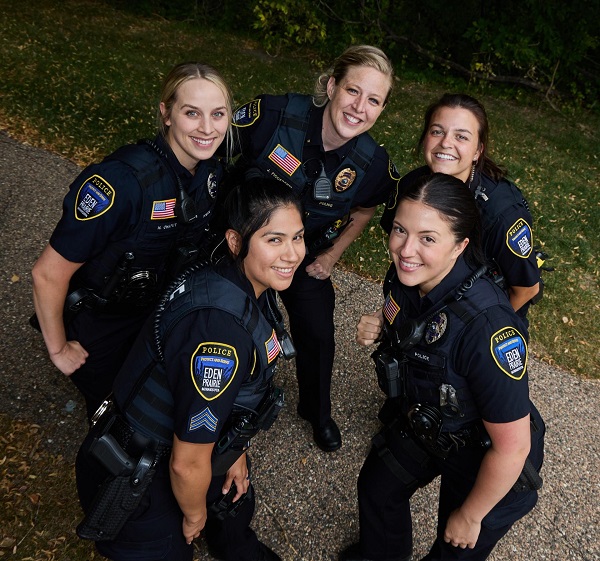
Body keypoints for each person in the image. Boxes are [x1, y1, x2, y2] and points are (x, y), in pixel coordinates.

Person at [75, 178, 305, 561]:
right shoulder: (219, 336)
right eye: (274, 239)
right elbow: (186, 463)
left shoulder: (236, 280)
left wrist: (235, 451)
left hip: (177, 452)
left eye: (297, 237)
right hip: (142, 484)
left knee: (235, 506)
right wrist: (194, 515)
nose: (292, 254)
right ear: (235, 242)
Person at [340, 173, 545, 561]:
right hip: (428, 421)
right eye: (400, 229)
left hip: (486, 456)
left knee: (454, 547)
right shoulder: (405, 278)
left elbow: (513, 447)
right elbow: (414, 324)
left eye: (428, 238)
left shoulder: (488, 329)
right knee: (378, 488)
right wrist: (381, 323)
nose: (405, 249)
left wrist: (470, 515)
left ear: (460, 246)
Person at [31, 62, 233, 420]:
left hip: (157, 309)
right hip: (104, 319)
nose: (207, 128)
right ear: (166, 113)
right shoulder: (121, 182)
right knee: (121, 417)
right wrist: (59, 348)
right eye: (191, 113)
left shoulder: (211, 172)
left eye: (218, 114)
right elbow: (47, 273)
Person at [225, 44, 400, 451]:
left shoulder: (372, 163)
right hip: (242, 249)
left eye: (373, 100)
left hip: (302, 257)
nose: (359, 107)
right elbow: (217, 150)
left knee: (319, 333)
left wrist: (332, 255)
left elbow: (365, 208)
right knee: (223, 321)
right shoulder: (273, 115)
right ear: (332, 85)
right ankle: (221, 405)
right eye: (353, 91)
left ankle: (317, 412)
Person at [380, 93, 540, 320]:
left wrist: (474, 331)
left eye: (461, 137)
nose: (445, 143)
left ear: (478, 151)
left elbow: (527, 289)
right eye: (437, 131)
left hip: (479, 320)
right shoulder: (413, 186)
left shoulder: (502, 214)